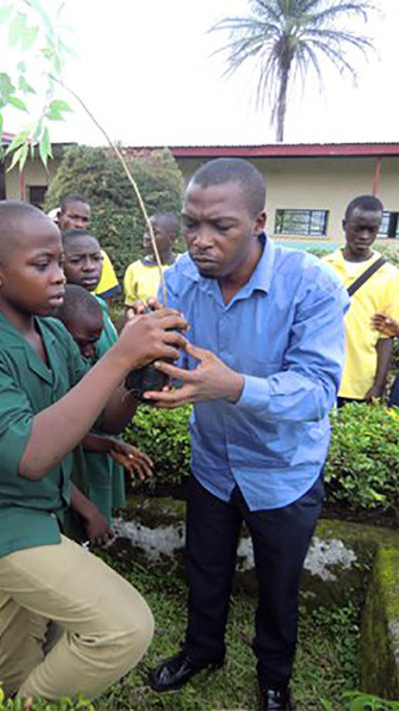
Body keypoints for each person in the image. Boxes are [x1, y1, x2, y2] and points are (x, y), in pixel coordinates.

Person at [0, 200, 187, 701]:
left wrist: (138, 374)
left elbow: (102, 417)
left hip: (39, 508)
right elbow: (30, 456)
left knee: (22, 622)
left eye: (58, 261)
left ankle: (10, 691)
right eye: (41, 264)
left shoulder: (50, 331)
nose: (59, 277)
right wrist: (118, 356)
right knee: (123, 627)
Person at [140, 158, 349, 711]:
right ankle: (201, 650)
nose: (200, 241)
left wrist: (234, 386)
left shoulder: (312, 287)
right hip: (212, 460)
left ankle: (274, 676)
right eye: (190, 224)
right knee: (204, 567)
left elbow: (317, 393)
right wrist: (153, 354)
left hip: (283, 471)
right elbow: (173, 353)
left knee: (278, 586)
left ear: (259, 221)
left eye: (220, 227)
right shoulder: (180, 276)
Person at [55, 284, 153, 525]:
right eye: (83, 344)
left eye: (94, 344)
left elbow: (106, 420)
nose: (89, 353)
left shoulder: (78, 358)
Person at [321, 196, 399, 407]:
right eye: (358, 228)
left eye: (372, 230)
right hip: (319, 376)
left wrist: (379, 385)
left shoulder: (390, 276)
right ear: (345, 225)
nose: (364, 236)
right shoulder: (322, 268)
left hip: (359, 384)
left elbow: (385, 337)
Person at [56, 194, 120, 299]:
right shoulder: (45, 252)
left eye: (85, 220)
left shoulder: (100, 255)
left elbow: (105, 302)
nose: (79, 224)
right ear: (59, 216)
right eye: (74, 217)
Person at [123, 212, 179, 305]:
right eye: (146, 231)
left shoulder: (184, 267)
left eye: (154, 232)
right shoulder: (134, 269)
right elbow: (130, 307)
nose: (146, 237)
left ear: (171, 238)